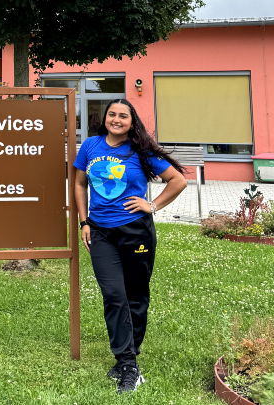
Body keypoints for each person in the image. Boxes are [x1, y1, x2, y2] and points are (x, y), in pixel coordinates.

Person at [73, 99, 187, 394]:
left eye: (123, 116)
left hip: (135, 232)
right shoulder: (90, 146)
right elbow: (79, 184)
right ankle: (128, 363)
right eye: (112, 114)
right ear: (105, 118)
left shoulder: (141, 151)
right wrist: (84, 221)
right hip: (99, 232)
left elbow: (177, 181)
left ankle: (128, 359)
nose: (117, 119)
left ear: (131, 122)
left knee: (135, 296)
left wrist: (152, 205)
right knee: (113, 295)